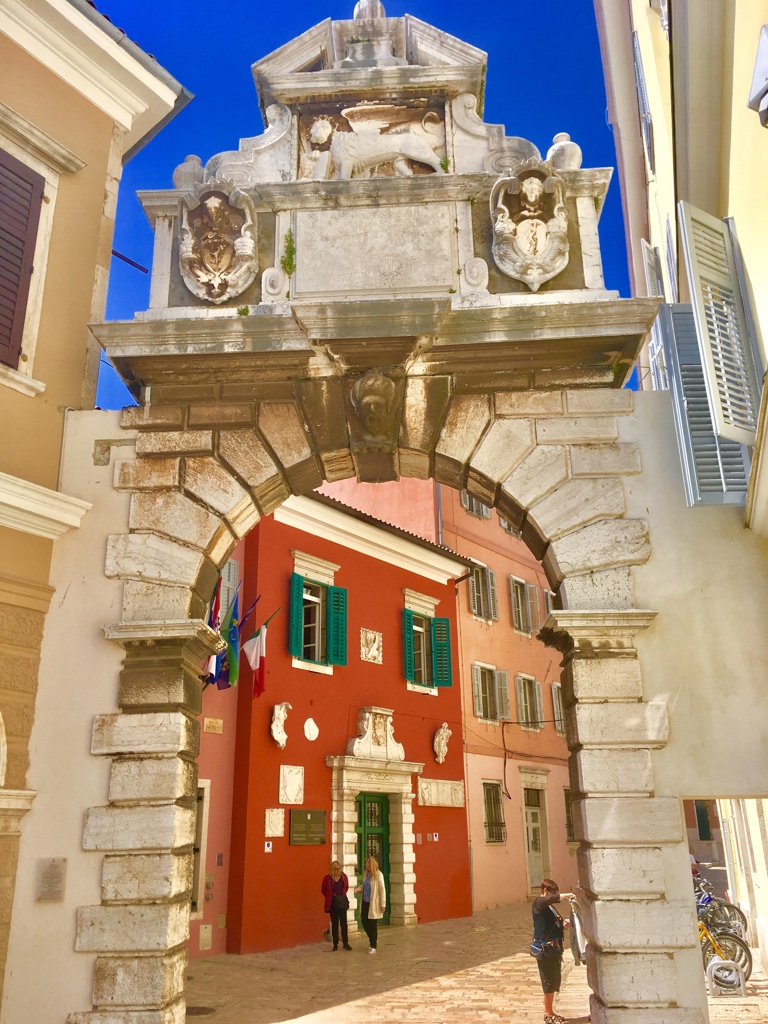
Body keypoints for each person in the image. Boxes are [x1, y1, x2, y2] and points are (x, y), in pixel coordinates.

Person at [532, 878, 577, 1024]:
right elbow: (550, 899)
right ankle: (548, 1014)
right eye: (553, 892)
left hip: (553, 949)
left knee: (553, 980)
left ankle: (550, 1012)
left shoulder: (549, 907)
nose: (555, 895)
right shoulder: (539, 903)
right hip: (545, 950)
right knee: (548, 981)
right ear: (545, 891)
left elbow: (551, 925)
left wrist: (563, 925)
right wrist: (566, 895)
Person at [354, 855, 386, 954]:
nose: (365, 864)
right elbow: (365, 885)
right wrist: (359, 889)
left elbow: (382, 890)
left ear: (370, 864)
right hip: (365, 902)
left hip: (374, 903)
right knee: (364, 922)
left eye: (367, 863)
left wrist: (383, 904)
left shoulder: (378, 875)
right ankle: (373, 938)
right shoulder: (366, 874)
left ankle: (373, 946)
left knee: (372, 924)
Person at [321, 860, 352, 951]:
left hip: (342, 902)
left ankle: (345, 943)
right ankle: (335, 944)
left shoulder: (344, 877)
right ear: (332, 869)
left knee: (344, 924)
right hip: (333, 904)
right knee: (334, 924)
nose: (338, 870)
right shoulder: (327, 878)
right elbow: (323, 890)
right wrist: (330, 896)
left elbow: (346, 887)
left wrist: (341, 896)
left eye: (339, 868)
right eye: (336, 869)